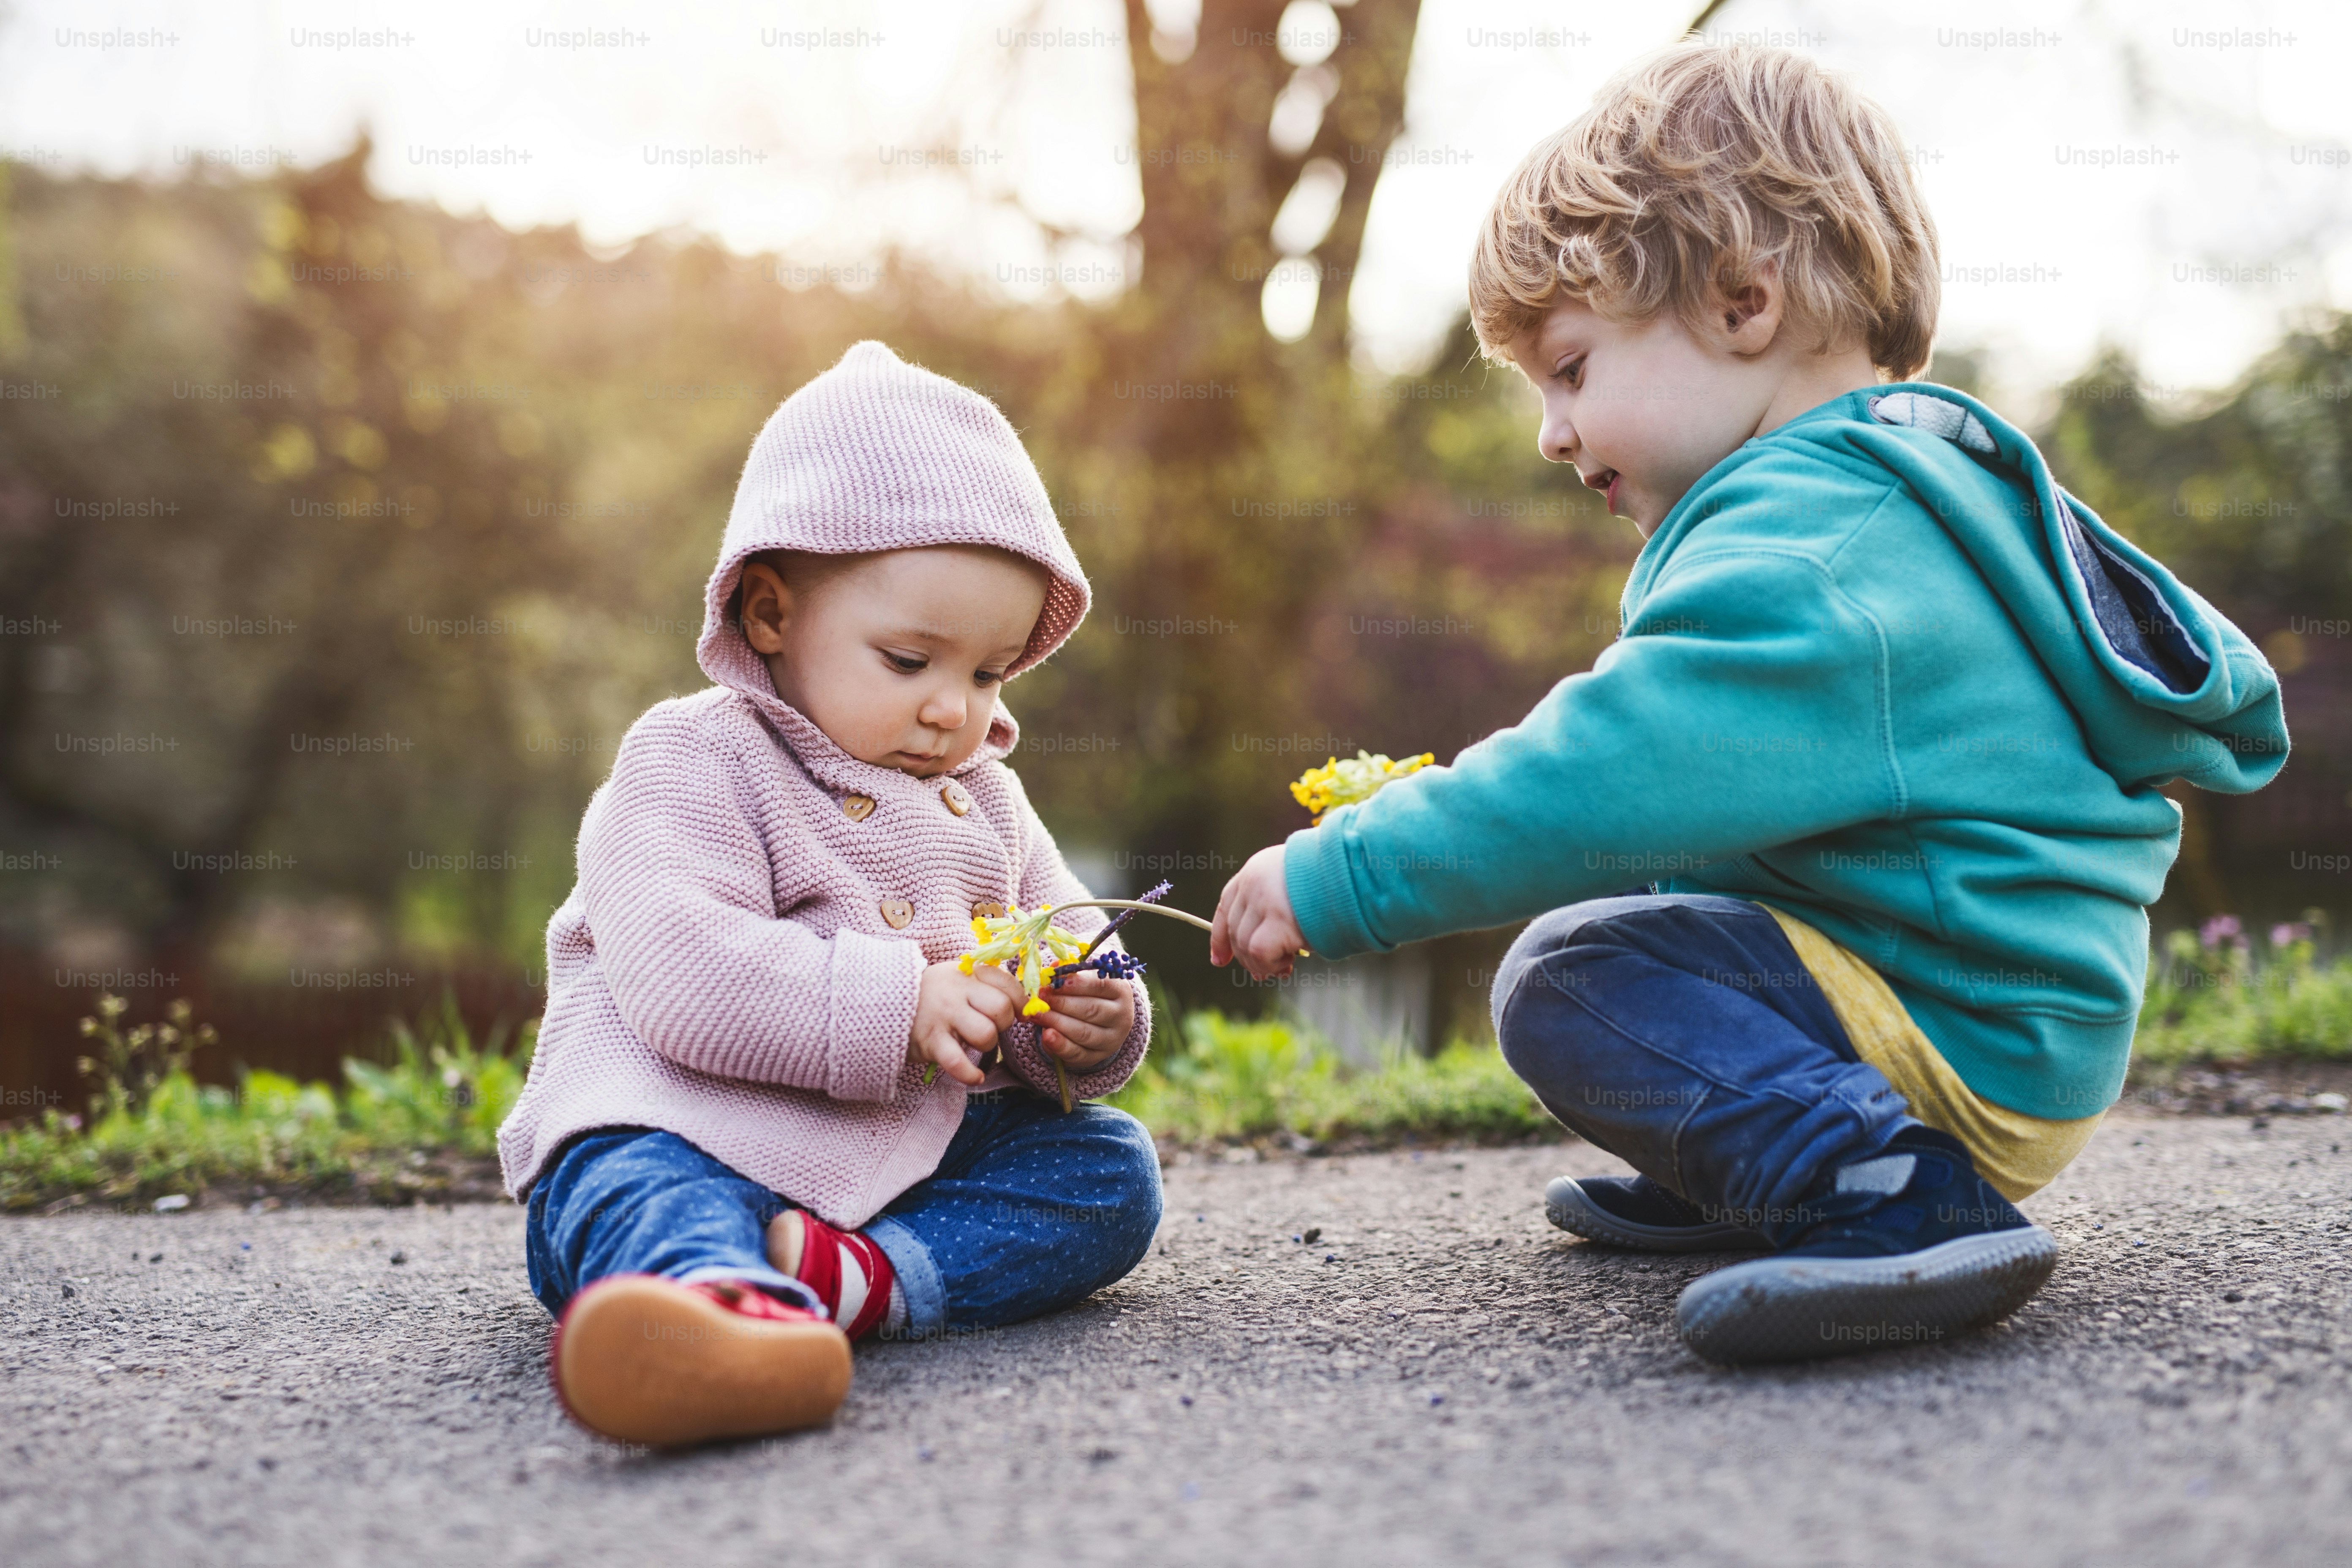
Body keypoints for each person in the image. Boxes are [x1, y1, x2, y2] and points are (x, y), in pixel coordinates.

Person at [1210, 43, 2287, 1364]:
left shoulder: (1811, 561)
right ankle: (1768, 1158)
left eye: (1570, 367)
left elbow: (1603, 777)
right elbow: (1701, 804)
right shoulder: (1875, 504)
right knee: (1654, 909)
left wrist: (1348, 872)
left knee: (1572, 973)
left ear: (1740, 303)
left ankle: (1882, 1189)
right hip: (1982, 998)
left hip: (1962, 1032)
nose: (1551, 434)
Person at [498, 341, 1162, 1445]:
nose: (955, 710)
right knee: (629, 1183)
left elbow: (1068, 932)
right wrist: (903, 1002)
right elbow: (680, 973)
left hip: (899, 1159)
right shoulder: (694, 760)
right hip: (692, 1126)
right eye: (910, 661)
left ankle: (863, 1281)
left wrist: (1091, 1024)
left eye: (989, 672)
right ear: (769, 614)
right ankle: (709, 1309)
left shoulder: (983, 796)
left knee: (1109, 1171)